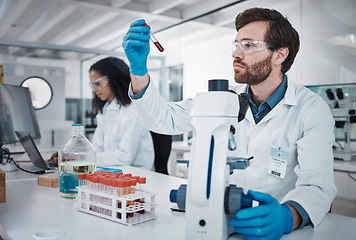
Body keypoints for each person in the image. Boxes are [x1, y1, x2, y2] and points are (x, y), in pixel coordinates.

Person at [122, 7, 337, 240]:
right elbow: (163, 119)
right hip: (221, 222)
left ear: (279, 55)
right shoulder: (222, 98)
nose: (236, 53)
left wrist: (289, 215)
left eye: (248, 45)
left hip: (277, 231)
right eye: (236, 44)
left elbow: (317, 184)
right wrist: (138, 71)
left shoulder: (311, 109)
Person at [50, 57, 154, 170]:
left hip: (137, 175)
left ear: (115, 80)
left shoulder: (133, 110)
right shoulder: (105, 110)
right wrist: (72, 156)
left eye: (98, 84)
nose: (93, 90)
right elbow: (96, 149)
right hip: (111, 171)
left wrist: (80, 157)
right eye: (92, 85)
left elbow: (125, 157)